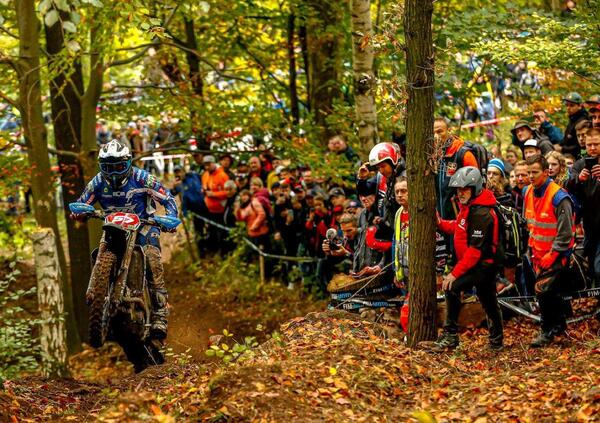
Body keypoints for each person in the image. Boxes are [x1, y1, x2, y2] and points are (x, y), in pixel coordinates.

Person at [72, 140, 178, 340]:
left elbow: (168, 199)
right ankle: (98, 294)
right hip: (113, 225)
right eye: (108, 167)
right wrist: (79, 212)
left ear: (128, 163)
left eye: (119, 166)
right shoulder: (97, 182)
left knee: (153, 260)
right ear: (101, 166)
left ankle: (160, 314)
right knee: (99, 252)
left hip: (144, 225)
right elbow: (81, 202)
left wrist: (170, 219)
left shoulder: (143, 178)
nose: (113, 172)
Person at [433, 166, 504, 352]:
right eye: (458, 189)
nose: (460, 193)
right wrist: (440, 224)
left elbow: (474, 252)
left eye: (465, 189)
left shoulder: (482, 213)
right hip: (475, 264)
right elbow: (459, 227)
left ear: (475, 188)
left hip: (484, 265)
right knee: (488, 300)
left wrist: (454, 274)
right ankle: (496, 341)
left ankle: (450, 335)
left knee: (452, 287)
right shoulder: (469, 207)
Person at [523, 154, 575, 347]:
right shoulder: (528, 191)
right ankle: (559, 326)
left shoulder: (559, 197)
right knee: (545, 292)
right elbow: (530, 224)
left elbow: (566, 233)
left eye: (535, 172)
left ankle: (547, 331)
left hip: (558, 255)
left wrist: (552, 255)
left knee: (542, 290)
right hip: (537, 254)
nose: (530, 176)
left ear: (546, 172)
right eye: (528, 172)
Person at [569, 127, 600, 287]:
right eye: (589, 145)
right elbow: (566, 185)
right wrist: (578, 179)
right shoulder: (580, 164)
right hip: (589, 224)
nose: (592, 148)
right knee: (590, 264)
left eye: (596, 144)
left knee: (599, 267)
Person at [432, 117, 478, 219]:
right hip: (439, 219)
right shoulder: (433, 157)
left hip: (460, 218)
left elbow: (476, 187)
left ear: (449, 131)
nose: (436, 136)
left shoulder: (463, 154)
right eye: (433, 133)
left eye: (439, 132)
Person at [171, 165, 207, 253]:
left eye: (179, 171)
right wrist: (173, 188)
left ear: (184, 171)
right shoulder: (178, 184)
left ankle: (212, 247)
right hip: (194, 211)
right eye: (176, 173)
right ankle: (202, 252)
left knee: (211, 227)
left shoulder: (194, 176)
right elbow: (170, 194)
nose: (178, 174)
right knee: (198, 230)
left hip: (205, 206)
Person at [201, 155, 230, 252]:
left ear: (214, 163)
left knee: (222, 232)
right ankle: (214, 250)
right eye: (205, 165)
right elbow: (205, 187)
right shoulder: (205, 175)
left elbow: (228, 192)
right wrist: (204, 191)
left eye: (208, 164)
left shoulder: (222, 175)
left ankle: (225, 252)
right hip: (209, 209)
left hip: (221, 209)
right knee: (211, 231)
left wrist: (214, 194)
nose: (207, 167)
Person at [560, 92, 589, 159]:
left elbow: (581, 145)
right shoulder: (572, 119)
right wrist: (559, 144)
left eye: (572, 105)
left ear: (580, 106)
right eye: (567, 105)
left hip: (579, 157)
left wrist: (562, 149)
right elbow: (566, 139)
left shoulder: (583, 121)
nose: (568, 108)